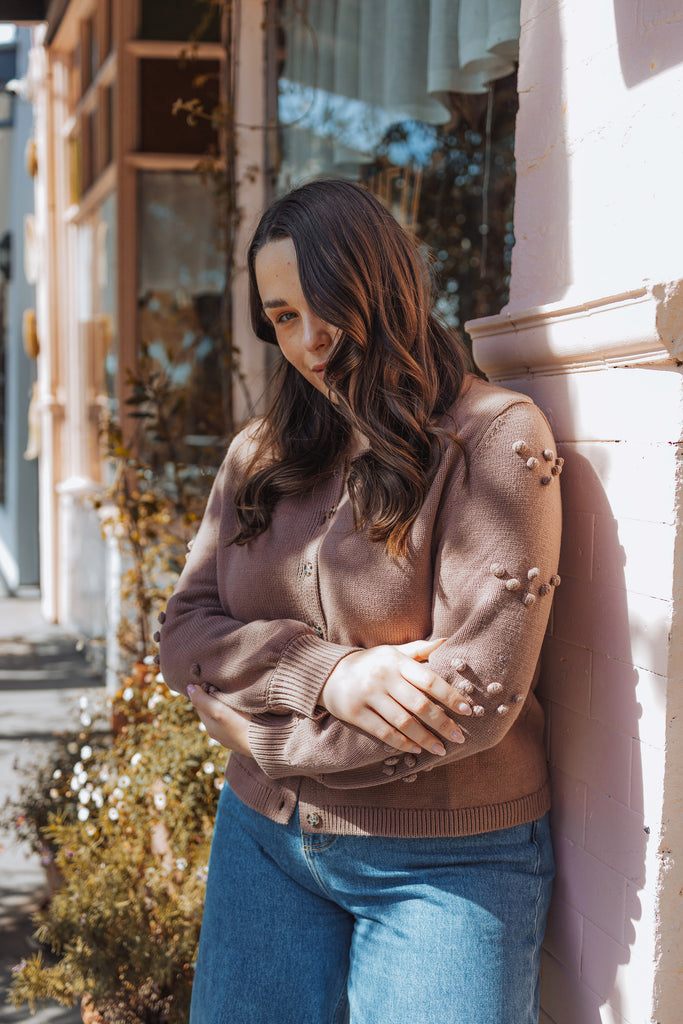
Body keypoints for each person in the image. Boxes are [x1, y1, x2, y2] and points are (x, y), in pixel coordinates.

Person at [158, 178, 562, 1024]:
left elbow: (471, 702)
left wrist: (254, 730)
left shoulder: (495, 440)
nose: (309, 341)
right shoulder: (259, 454)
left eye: (324, 304)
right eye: (280, 318)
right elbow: (185, 632)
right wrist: (327, 676)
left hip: (447, 866)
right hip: (262, 842)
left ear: (380, 283)